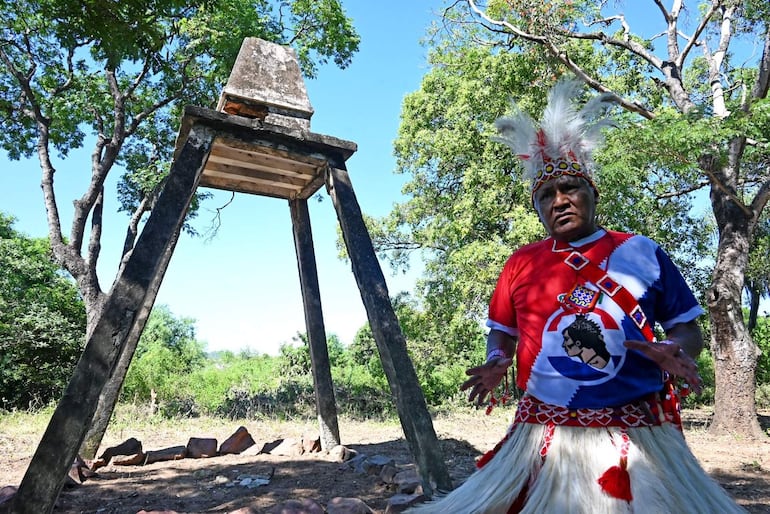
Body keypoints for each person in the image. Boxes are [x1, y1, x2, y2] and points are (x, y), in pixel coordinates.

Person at [407, 80, 746, 513]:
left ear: (592, 194)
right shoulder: (521, 264)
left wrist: (674, 349)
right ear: (538, 207)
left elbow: (686, 328)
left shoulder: (640, 251)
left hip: (636, 436)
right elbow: (503, 334)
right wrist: (497, 360)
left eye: (570, 188)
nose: (560, 201)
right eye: (547, 194)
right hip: (543, 437)